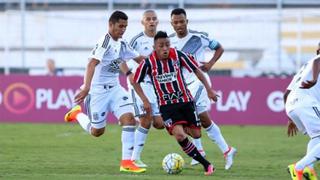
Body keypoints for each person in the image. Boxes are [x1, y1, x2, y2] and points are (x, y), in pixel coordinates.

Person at [64, 10, 146, 173]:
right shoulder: (105, 41)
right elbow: (91, 64)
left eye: (125, 26)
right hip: (97, 92)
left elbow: (140, 59)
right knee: (97, 132)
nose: (123, 30)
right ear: (111, 25)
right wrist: (86, 88)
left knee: (129, 119)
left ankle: (126, 163)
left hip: (115, 89)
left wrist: (163, 63)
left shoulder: (122, 43)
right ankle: (77, 114)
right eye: (120, 26)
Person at [130, 31, 217, 175]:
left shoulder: (178, 55)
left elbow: (196, 70)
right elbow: (134, 80)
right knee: (180, 136)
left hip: (186, 101)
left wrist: (209, 89)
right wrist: (144, 99)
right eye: (161, 46)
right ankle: (206, 165)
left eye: (167, 45)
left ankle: (183, 128)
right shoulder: (148, 62)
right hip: (167, 107)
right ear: (154, 47)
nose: (165, 48)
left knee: (196, 134)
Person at [169, 8, 236, 169]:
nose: (179, 25)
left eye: (182, 21)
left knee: (186, 113)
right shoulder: (169, 41)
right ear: (172, 24)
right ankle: (227, 150)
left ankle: (199, 150)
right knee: (204, 119)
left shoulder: (199, 37)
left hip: (199, 81)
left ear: (187, 21)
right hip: (182, 84)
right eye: (176, 22)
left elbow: (219, 47)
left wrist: (211, 63)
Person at [126, 9, 164, 168]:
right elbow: (124, 57)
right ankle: (133, 159)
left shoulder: (162, 39)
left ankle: (134, 158)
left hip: (155, 86)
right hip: (139, 84)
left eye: (154, 19)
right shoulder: (136, 40)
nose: (151, 21)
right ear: (142, 22)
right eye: (148, 19)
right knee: (145, 120)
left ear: (158, 21)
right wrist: (129, 73)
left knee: (159, 123)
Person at [285, 44, 320, 180]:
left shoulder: (305, 67)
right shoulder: (316, 62)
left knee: (317, 138)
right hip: (305, 102)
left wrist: (290, 118)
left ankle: (308, 170)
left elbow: (285, 94)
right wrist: (314, 80)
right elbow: (319, 60)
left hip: (292, 104)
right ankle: (298, 167)